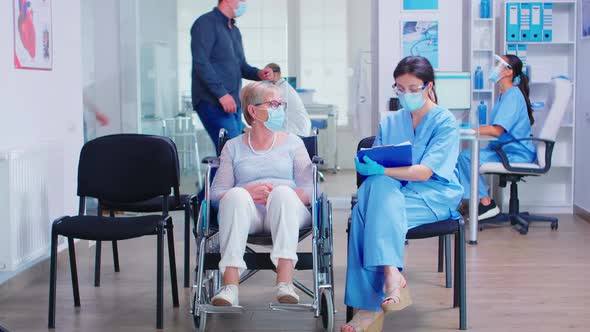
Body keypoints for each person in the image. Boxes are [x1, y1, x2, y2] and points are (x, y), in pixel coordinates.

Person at [342, 56, 463, 332]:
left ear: (429, 86)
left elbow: (425, 173)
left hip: (432, 195)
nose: (406, 95)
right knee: (375, 189)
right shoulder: (391, 121)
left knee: (366, 213)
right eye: (400, 88)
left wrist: (381, 173)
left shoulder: (445, 122)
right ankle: (391, 274)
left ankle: (368, 309)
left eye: (413, 88)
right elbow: (382, 162)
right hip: (394, 191)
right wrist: (370, 166)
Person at [209, 81, 313, 306]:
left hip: (289, 210)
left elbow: (312, 190)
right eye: (273, 104)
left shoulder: (293, 143)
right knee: (235, 196)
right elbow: (216, 195)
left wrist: (283, 193)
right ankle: (230, 287)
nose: (279, 109)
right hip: (250, 216)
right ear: (253, 111)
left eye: (280, 104)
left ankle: (285, 282)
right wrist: (244, 190)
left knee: (283, 194)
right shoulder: (233, 147)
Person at [456, 54, 536, 220]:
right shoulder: (504, 96)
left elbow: (497, 131)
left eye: (498, 65)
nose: (493, 68)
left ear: (508, 72)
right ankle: (480, 202)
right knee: (466, 156)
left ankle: (486, 203)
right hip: (504, 150)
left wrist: (471, 130)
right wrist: (473, 129)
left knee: (466, 157)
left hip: (516, 153)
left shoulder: (513, 95)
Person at [191, 0, 273, 150]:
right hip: (213, 101)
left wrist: (259, 73)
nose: (245, 3)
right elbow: (201, 63)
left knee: (239, 149)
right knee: (232, 151)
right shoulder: (205, 23)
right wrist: (221, 94)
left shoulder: (234, 31)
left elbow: (241, 66)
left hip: (232, 103)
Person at [266, 63, 311, 136]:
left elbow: (273, 112)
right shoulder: (281, 86)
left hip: (297, 130)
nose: (266, 77)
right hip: (296, 128)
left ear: (276, 74)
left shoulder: (282, 89)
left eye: (268, 73)